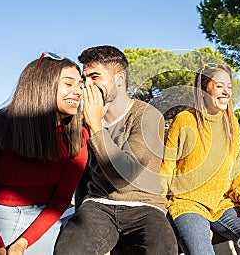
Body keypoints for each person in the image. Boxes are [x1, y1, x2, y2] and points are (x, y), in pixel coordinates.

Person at [54, 45, 177, 255]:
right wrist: (79, 214)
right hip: (99, 205)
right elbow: (83, 174)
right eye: (86, 79)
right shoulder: (84, 120)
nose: (87, 86)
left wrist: (95, 126)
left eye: (95, 77)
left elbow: (124, 175)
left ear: (119, 78)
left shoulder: (147, 116)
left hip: (145, 207)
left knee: (163, 249)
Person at [0, 52, 89, 255]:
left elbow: (61, 200)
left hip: (43, 223)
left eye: (80, 86)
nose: (78, 91)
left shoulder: (78, 137)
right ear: (42, 85)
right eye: (69, 84)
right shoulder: (0, 125)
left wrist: (22, 244)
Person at [160, 63, 240, 255]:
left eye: (229, 86)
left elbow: (236, 170)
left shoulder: (232, 122)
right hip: (187, 203)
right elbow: (167, 166)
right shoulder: (185, 119)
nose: (226, 92)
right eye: (219, 86)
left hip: (222, 203)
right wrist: (159, 205)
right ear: (203, 90)